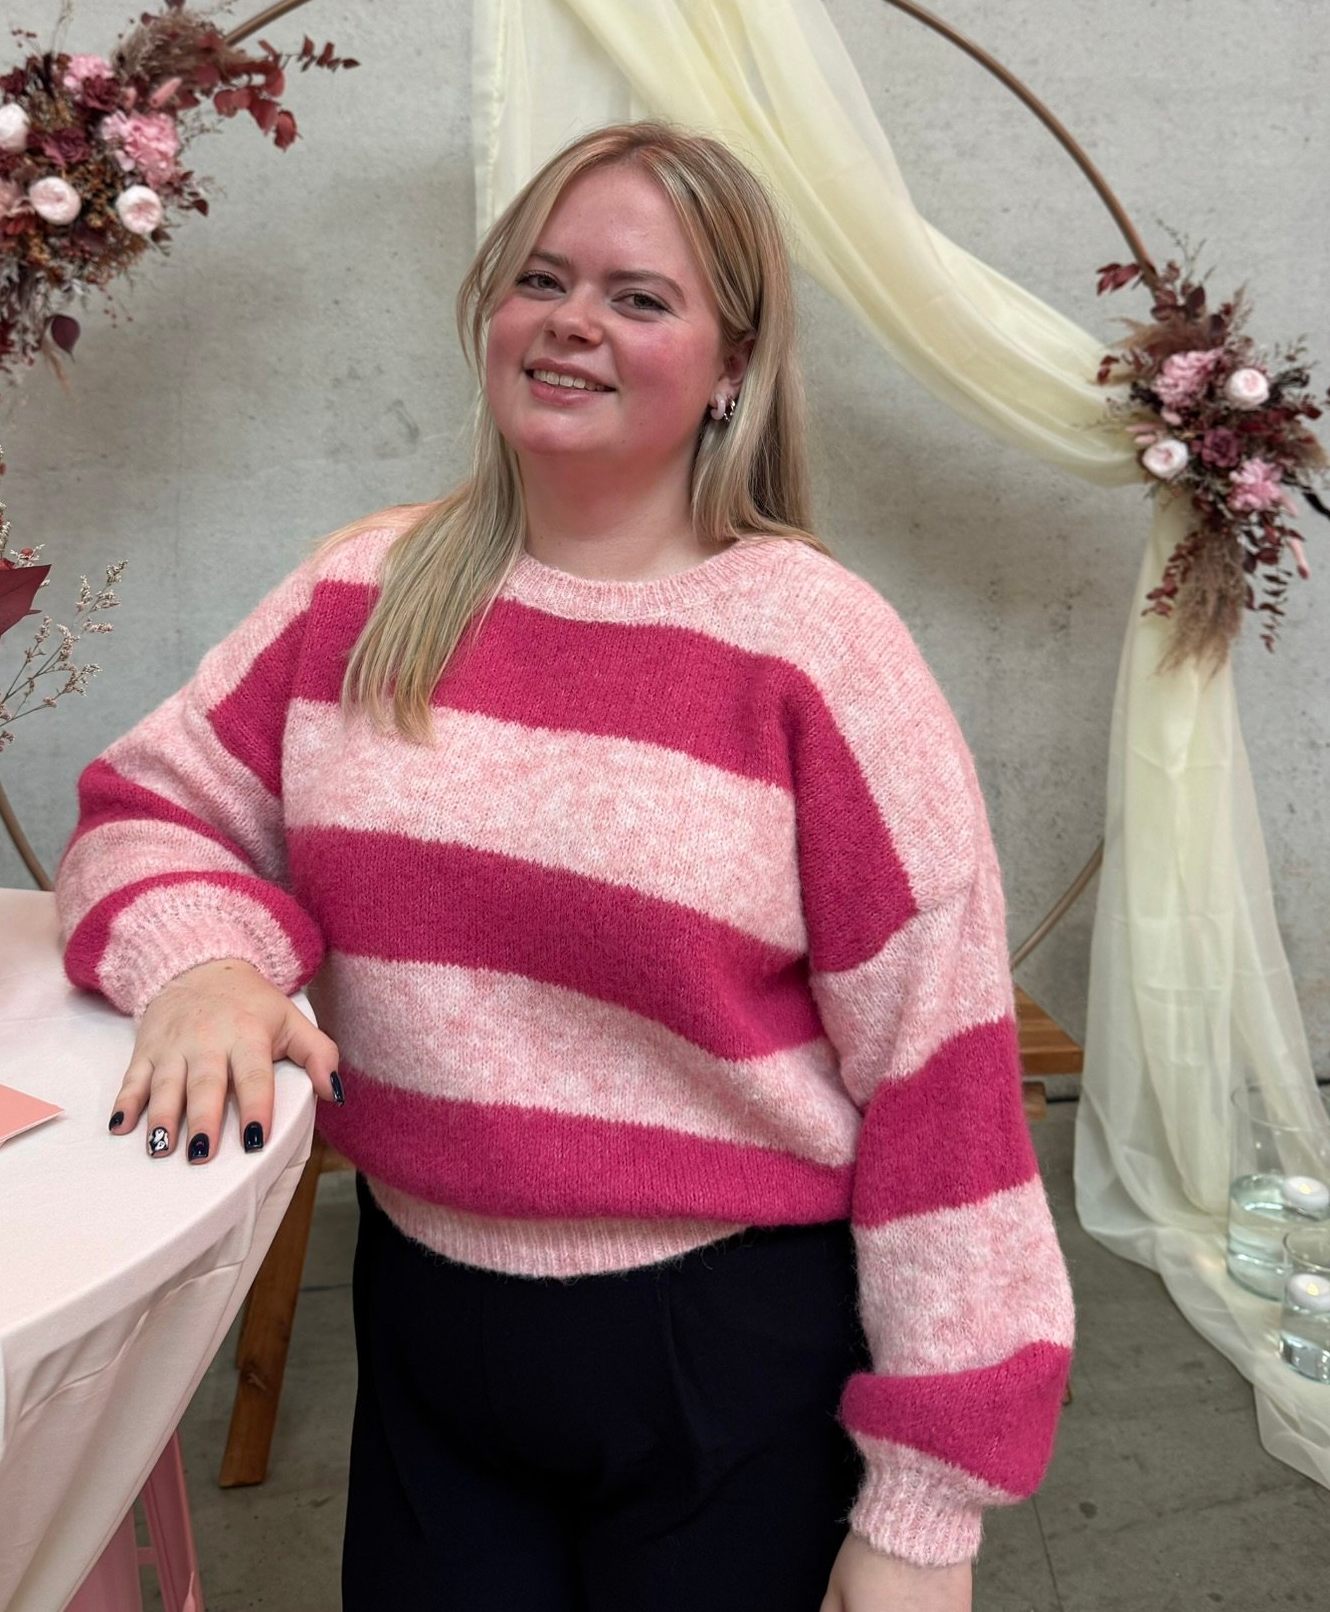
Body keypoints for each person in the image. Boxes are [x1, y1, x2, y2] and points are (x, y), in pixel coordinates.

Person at [57, 120, 1075, 1611]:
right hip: (422, 1314)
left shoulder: (818, 649)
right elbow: (148, 806)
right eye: (542, 279)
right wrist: (203, 964)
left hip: (725, 1351)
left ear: (731, 367)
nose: (572, 322)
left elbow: (942, 1077)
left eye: (638, 297)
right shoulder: (365, 592)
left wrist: (927, 1509)